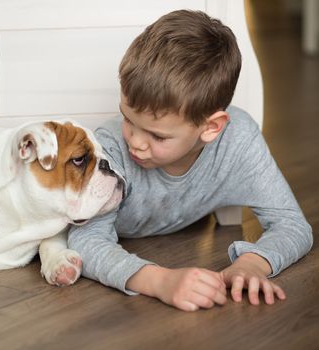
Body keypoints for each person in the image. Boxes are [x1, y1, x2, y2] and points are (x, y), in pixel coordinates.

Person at [68, 9, 313, 312]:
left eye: (158, 137)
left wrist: (252, 265)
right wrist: (159, 281)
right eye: (127, 119)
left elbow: (292, 225)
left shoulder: (238, 140)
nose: (135, 141)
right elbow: (85, 240)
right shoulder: (109, 149)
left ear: (211, 127)